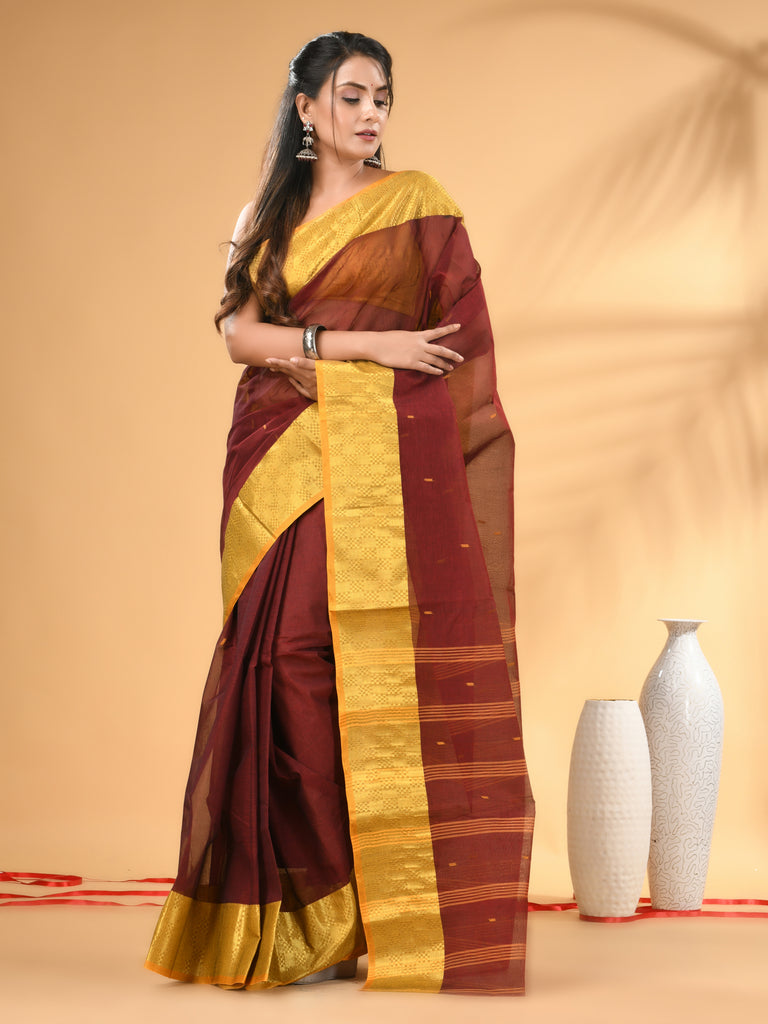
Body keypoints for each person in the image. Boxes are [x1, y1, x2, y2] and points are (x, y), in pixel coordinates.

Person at [145, 30, 534, 995]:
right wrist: (357, 347)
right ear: (307, 108)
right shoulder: (264, 215)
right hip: (272, 457)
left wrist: (339, 357)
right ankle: (292, 918)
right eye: (353, 95)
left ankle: (369, 912)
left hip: (373, 469)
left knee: (338, 665)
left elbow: (452, 348)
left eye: (382, 97)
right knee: (270, 661)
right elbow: (241, 337)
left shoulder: (417, 208)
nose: (370, 113)